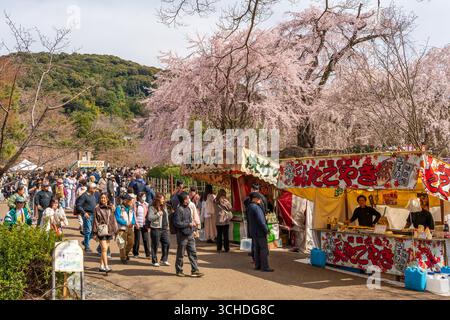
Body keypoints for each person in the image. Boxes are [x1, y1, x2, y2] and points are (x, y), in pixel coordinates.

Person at [173, 192, 204, 278]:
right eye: (187, 198)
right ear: (183, 200)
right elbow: (177, 223)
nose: (188, 200)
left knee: (193, 253)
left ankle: (195, 270)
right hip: (182, 236)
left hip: (190, 234)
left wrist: (193, 229)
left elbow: (191, 220)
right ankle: (179, 270)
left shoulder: (188, 209)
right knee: (181, 254)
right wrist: (188, 224)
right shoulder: (179, 210)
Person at [247, 192, 273, 272]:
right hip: (260, 231)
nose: (260, 200)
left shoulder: (249, 206)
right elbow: (261, 221)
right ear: (255, 199)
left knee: (256, 249)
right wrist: (266, 230)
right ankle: (265, 267)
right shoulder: (256, 208)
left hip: (253, 231)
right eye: (259, 198)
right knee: (263, 249)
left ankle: (257, 265)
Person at [93, 193, 118, 273]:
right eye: (101, 198)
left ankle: (101, 266)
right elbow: (95, 221)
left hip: (109, 230)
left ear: (107, 199)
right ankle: (106, 266)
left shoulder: (111, 208)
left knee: (105, 249)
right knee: (104, 248)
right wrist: (94, 232)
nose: (103, 199)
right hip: (101, 230)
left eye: (104, 198)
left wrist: (115, 230)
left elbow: (113, 219)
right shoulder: (97, 208)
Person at [147, 193, 171, 267]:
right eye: (162, 199)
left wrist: (168, 225)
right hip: (156, 228)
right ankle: (154, 261)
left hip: (164, 228)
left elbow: (166, 216)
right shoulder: (152, 207)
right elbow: (150, 218)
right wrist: (157, 214)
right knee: (155, 245)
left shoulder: (164, 206)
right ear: (158, 199)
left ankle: (164, 259)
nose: (163, 200)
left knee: (167, 243)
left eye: (164, 199)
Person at [76, 182, 99, 252]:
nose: (95, 190)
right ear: (90, 188)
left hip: (94, 215)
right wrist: (84, 213)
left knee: (94, 231)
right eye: (94, 188)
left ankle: (85, 241)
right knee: (88, 231)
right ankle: (87, 247)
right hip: (87, 215)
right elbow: (78, 205)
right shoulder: (84, 195)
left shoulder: (93, 195)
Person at [115, 194, 136, 264]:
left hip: (130, 228)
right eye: (129, 200)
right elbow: (117, 218)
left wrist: (132, 223)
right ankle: (123, 257)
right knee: (122, 244)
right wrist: (126, 223)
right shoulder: (119, 208)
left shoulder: (131, 208)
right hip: (122, 228)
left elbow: (133, 218)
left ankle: (126, 253)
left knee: (131, 242)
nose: (131, 202)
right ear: (125, 201)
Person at [133, 192, 151, 259]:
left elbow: (148, 215)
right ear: (139, 197)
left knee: (146, 239)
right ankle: (135, 253)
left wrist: (148, 225)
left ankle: (148, 254)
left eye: (145, 196)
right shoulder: (136, 204)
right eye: (143, 196)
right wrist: (136, 223)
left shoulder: (146, 204)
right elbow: (134, 214)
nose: (144, 198)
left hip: (144, 224)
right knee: (137, 239)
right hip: (138, 223)